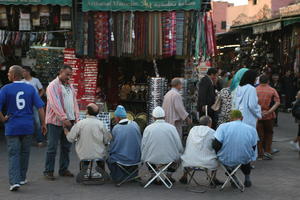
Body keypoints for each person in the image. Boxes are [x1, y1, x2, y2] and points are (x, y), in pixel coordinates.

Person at [0, 65, 46, 191]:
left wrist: (3, 119)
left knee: (13, 154)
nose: (7, 75)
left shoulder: (5, 89)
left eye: (9, 73)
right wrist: (43, 124)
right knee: (25, 153)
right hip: (27, 126)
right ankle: (22, 177)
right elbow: (40, 107)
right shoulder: (30, 89)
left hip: (12, 126)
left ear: (14, 75)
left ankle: (14, 181)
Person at [44, 65, 79, 180]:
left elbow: (74, 103)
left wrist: (76, 118)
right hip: (55, 122)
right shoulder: (52, 86)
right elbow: (55, 104)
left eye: (70, 75)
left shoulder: (70, 86)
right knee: (52, 147)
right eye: (67, 74)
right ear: (60, 72)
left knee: (66, 147)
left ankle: (63, 169)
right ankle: (48, 171)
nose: (68, 77)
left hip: (70, 121)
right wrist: (64, 118)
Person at [212, 110, 259, 188]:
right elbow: (253, 147)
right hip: (244, 158)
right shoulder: (251, 129)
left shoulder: (222, 127)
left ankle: (233, 177)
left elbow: (216, 145)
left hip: (225, 158)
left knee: (227, 159)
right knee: (245, 156)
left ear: (230, 118)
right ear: (242, 118)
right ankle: (247, 178)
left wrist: (217, 153)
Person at [141, 106, 183, 184]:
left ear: (153, 117)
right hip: (170, 158)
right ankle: (169, 176)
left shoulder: (148, 128)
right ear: (164, 117)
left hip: (150, 158)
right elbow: (179, 146)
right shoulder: (172, 128)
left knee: (146, 155)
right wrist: (180, 152)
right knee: (179, 156)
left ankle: (153, 176)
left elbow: (143, 145)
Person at [65, 103, 112, 172]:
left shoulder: (80, 124)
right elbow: (107, 139)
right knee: (100, 155)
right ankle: (102, 171)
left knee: (86, 154)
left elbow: (70, 138)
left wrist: (66, 132)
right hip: (99, 154)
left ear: (87, 111)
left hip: (84, 154)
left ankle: (84, 171)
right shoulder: (101, 124)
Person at [180, 116, 221, 186]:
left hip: (189, 161)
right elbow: (216, 146)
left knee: (191, 153)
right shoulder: (212, 132)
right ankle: (213, 178)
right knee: (218, 157)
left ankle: (184, 176)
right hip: (207, 162)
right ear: (209, 123)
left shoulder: (192, 130)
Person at [107, 105, 142, 183]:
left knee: (109, 157)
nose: (114, 119)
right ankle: (132, 175)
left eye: (115, 117)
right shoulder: (135, 124)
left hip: (121, 158)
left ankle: (118, 176)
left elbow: (114, 145)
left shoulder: (116, 128)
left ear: (118, 118)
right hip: (136, 157)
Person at [256, 75, 280, 160]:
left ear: (259, 81)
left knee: (259, 135)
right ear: (268, 81)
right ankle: (268, 151)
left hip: (258, 115)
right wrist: (269, 111)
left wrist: (259, 111)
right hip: (269, 115)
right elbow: (277, 102)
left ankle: (260, 154)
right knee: (269, 133)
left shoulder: (255, 90)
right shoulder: (272, 90)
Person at [22, 66, 46, 147]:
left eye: (24, 71)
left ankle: (39, 140)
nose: (22, 73)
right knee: (26, 121)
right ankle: (26, 141)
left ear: (28, 72)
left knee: (37, 122)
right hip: (25, 104)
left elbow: (42, 90)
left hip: (35, 104)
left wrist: (37, 98)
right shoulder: (22, 81)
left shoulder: (35, 80)